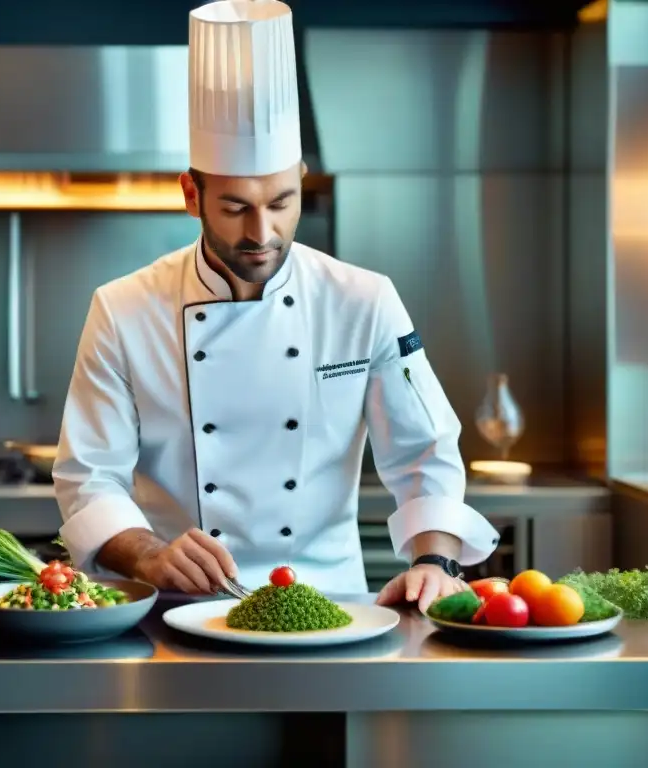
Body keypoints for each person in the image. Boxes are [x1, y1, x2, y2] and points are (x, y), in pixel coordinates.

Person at [53, 0, 499, 610]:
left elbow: (424, 451)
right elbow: (89, 477)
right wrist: (148, 553)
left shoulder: (363, 300)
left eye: (282, 202)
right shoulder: (124, 309)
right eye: (236, 208)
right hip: (179, 611)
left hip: (330, 610)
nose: (262, 231)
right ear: (192, 194)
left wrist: (435, 561)